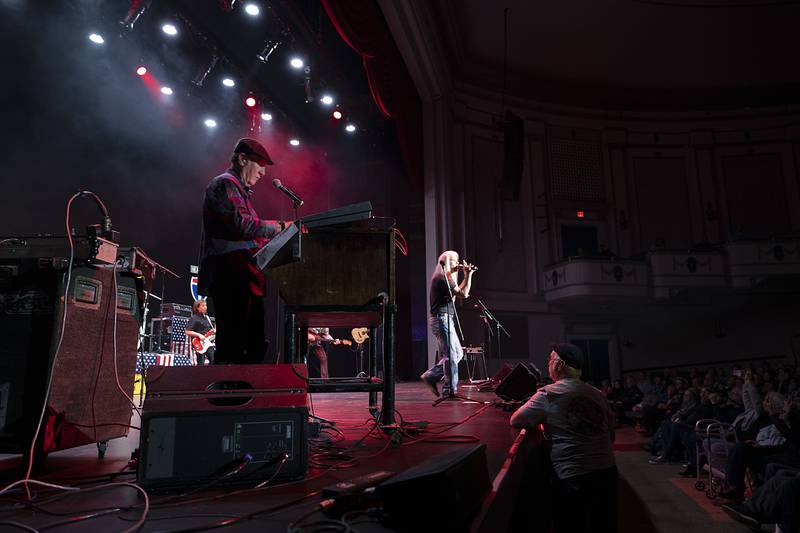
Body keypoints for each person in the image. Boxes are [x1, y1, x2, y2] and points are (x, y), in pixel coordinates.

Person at [197, 138, 292, 364]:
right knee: (234, 345)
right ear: (242, 159)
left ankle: (242, 395)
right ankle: (229, 395)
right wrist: (281, 228)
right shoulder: (225, 184)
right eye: (259, 166)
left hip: (244, 278)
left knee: (252, 343)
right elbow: (242, 225)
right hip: (231, 276)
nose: (262, 173)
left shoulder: (238, 189)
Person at [510, 343, 617, 533]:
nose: (548, 363)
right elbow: (611, 434)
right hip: (607, 472)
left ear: (559, 364)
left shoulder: (548, 394)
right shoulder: (597, 394)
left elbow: (516, 420)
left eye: (550, 359)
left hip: (572, 476)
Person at [420, 250, 476, 398]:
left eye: (456, 260)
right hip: (441, 319)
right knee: (451, 355)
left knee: (456, 354)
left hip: (444, 319)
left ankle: (431, 376)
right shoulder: (442, 278)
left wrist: (467, 275)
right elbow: (463, 294)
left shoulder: (448, 277)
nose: (456, 263)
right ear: (444, 262)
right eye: (453, 261)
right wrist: (467, 274)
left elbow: (463, 292)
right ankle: (450, 390)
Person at [185, 299, 215, 365]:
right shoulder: (194, 318)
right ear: (197, 308)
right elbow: (187, 331)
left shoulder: (207, 317)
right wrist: (199, 335)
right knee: (201, 362)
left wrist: (213, 331)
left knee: (213, 360)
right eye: (203, 306)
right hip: (199, 343)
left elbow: (211, 330)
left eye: (206, 305)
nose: (205, 307)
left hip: (208, 342)